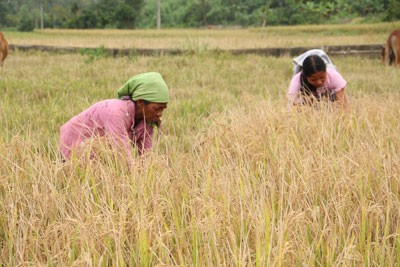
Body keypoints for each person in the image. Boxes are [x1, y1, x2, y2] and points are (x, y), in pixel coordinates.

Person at [59, 72, 169, 160]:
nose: (160, 114)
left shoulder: (148, 121)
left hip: (100, 152)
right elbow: (123, 155)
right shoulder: (116, 112)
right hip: (76, 141)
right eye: (157, 109)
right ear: (140, 102)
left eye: (163, 109)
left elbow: (146, 155)